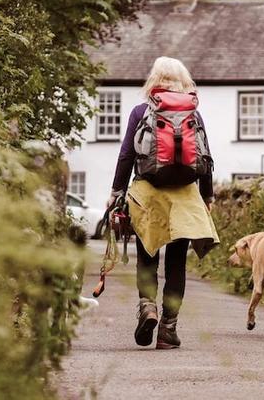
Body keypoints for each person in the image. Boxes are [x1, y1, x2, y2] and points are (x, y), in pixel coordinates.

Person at [109, 56, 219, 350]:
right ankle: (168, 330)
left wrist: (117, 191)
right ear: (184, 81)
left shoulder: (141, 111)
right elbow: (205, 159)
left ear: (154, 79)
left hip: (148, 193)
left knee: (147, 255)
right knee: (176, 263)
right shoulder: (194, 113)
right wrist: (207, 197)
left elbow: (126, 156)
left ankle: (148, 307)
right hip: (184, 196)